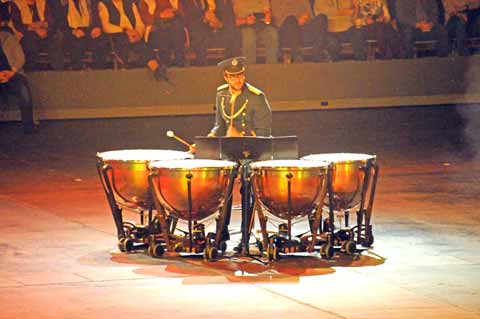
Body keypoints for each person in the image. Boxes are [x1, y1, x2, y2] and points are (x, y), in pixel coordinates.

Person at [208, 56, 272, 252]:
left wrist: (255, 154)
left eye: (241, 75)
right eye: (233, 77)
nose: (238, 80)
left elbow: (264, 132)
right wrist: (208, 139)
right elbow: (220, 125)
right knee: (223, 190)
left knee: (247, 190)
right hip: (229, 149)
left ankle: (245, 235)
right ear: (226, 77)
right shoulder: (221, 94)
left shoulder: (256, 96)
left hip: (250, 150)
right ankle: (222, 233)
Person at [0, 3, 35, 133]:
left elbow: (20, 58)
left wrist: (11, 72)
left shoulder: (8, 37)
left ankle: (28, 125)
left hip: (12, 73)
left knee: (23, 90)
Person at [10, 0, 65, 70]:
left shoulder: (42, 2)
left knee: (56, 37)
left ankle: (58, 71)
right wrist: (35, 28)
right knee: (29, 40)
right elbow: (18, 26)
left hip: (43, 32)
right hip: (25, 35)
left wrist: (46, 30)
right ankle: (31, 71)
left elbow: (50, 21)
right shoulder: (16, 3)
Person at [232, 0, 279, 64]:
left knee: (272, 33)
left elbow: (267, 12)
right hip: (245, 26)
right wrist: (245, 21)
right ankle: (250, 67)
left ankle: (272, 66)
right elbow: (232, 22)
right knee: (249, 37)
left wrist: (267, 17)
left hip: (261, 25)